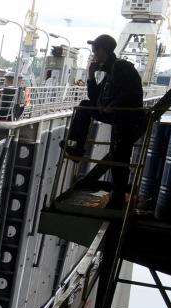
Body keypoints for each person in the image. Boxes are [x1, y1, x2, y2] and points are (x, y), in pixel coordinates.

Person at [63, 33, 144, 209]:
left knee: (119, 158)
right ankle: (78, 148)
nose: (93, 55)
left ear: (102, 50)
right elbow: (94, 97)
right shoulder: (110, 71)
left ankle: (117, 199)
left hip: (125, 117)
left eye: (94, 51)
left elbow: (131, 92)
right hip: (118, 116)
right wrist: (91, 76)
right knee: (85, 106)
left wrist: (113, 105)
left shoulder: (121, 67)